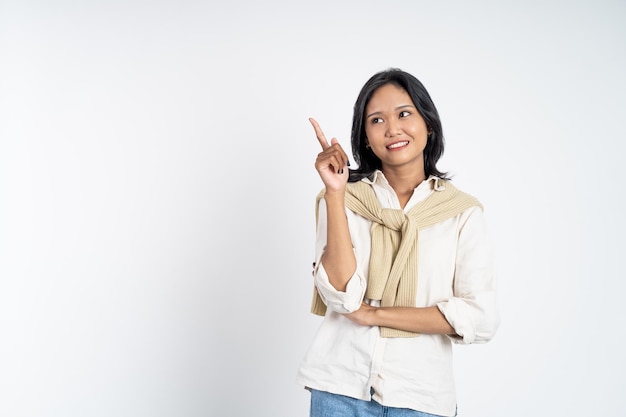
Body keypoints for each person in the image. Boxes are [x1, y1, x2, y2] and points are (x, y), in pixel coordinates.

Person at [296, 68, 499, 417]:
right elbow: (343, 295)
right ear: (364, 138)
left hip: (421, 397)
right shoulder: (343, 201)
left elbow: (480, 318)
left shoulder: (461, 213)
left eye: (404, 114)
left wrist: (375, 314)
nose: (392, 129)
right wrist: (334, 192)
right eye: (377, 120)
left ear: (428, 124)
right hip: (339, 389)